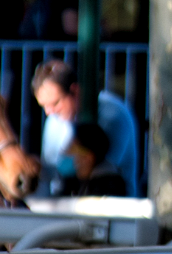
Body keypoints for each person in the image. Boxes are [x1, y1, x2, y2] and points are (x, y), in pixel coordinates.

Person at [31, 59, 139, 197]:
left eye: (55, 103)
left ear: (75, 91)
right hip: (66, 207)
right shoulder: (53, 121)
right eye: (44, 106)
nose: (49, 112)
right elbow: (50, 172)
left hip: (113, 206)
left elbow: (93, 169)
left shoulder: (114, 114)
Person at [60, 123, 127, 197]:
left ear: (89, 157)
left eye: (72, 149)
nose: (66, 154)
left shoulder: (108, 187)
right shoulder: (75, 183)